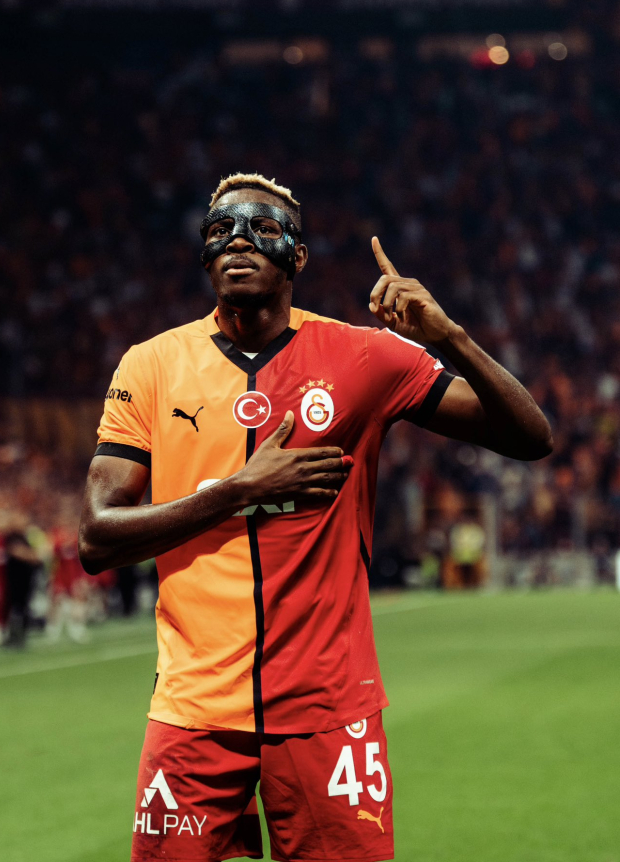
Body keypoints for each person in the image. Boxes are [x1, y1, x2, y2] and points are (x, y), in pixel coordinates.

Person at [79, 173, 552, 862]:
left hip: (328, 709)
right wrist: (236, 491)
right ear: (204, 253)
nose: (239, 242)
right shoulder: (150, 366)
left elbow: (530, 437)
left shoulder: (364, 355)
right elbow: (96, 537)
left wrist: (449, 336)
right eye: (221, 230)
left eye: (262, 229)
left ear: (297, 256)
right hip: (193, 712)